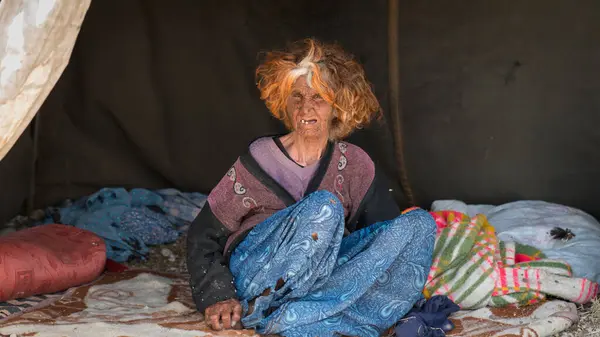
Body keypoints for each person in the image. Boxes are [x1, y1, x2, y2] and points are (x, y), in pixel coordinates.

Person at [186, 38, 437, 337]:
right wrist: (217, 294)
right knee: (325, 208)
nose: (306, 107)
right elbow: (203, 236)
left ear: (337, 105)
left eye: (318, 97)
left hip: (323, 278)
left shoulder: (355, 165)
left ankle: (300, 317)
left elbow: (381, 248)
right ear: (285, 103)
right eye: (297, 97)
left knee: (419, 224)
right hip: (258, 273)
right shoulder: (258, 160)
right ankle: (286, 312)